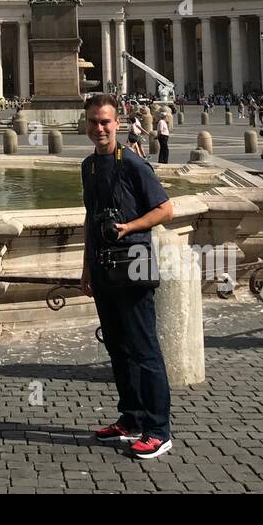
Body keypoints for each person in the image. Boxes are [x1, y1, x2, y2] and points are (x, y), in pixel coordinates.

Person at [80, 95, 175, 460]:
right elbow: (90, 218)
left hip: (134, 259)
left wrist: (129, 227)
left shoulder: (134, 163)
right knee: (118, 348)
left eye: (104, 122)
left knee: (144, 348)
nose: (99, 128)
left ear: (116, 123)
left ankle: (158, 429)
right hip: (104, 265)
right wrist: (86, 268)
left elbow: (166, 209)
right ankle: (131, 418)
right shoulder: (88, 166)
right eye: (92, 122)